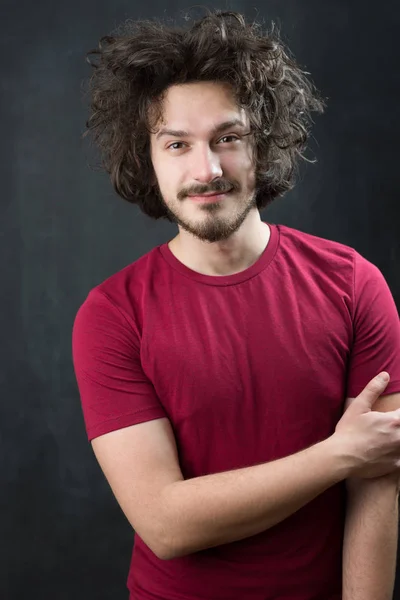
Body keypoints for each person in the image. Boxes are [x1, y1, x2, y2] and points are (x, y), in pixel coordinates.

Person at [72, 9, 400, 600]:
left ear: (263, 143)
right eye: (178, 144)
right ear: (148, 158)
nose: (209, 169)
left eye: (229, 137)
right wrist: (337, 455)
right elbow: (166, 523)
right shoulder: (111, 315)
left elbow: (379, 478)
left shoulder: (353, 282)